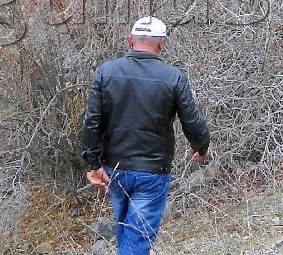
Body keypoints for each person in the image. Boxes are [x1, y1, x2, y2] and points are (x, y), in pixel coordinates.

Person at [81, 17, 210, 255]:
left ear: (130, 40)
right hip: (152, 172)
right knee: (136, 240)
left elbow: (91, 122)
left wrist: (93, 163)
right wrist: (201, 148)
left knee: (127, 237)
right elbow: (192, 121)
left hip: (114, 170)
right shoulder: (173, 77)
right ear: (162, 43)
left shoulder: (106, 72)